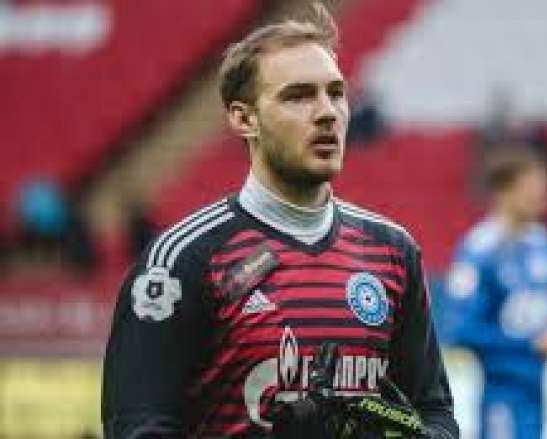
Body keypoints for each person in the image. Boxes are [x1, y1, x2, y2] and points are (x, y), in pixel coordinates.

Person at [102, 4, 458, 438]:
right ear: (243, 118)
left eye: (336, 93)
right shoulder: (182, 261)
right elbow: (138, 427)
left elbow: (435, 415)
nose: (327, 112)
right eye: (298, 96)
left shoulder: (392, 252)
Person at [442, 147, 547, 439]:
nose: (543, 195)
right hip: (499, 394)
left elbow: (546, 319)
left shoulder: (545, 245)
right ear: (504, 190)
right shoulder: (479, 250)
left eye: (546, 187)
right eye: (532, 186)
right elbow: (460, 330)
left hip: (541, 391)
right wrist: (532, 344)